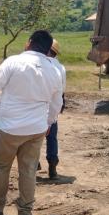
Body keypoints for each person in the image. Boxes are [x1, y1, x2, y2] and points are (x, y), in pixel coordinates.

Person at [0, 30, 64, 215]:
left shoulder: (13, 62)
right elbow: (56, 103)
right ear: (48, 48)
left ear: (29, 43)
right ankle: (25, 213)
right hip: (36, 129)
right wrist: (49, 123)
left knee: (1, 168)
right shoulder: (55, 70)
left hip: (8, 128)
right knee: (28, 170)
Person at [45, 38, 66, 179]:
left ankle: (33, 165)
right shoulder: (61, 68)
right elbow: (62, 91)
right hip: (54, 106)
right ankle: (52, 167)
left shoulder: (38, 65)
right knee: (52, 137)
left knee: (32, 139)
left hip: (37, 107)